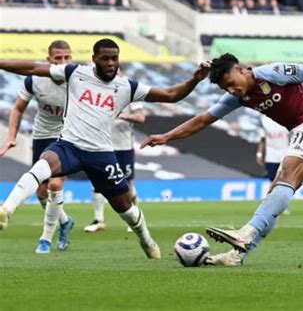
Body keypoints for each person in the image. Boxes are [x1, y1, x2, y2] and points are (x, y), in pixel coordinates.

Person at [140, 53, 303, 265]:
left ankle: (246, 233)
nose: (231, 90)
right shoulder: (238, 97)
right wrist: (167, 136)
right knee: (275, 196)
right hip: (300, 130)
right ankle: (237, 256)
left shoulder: (273, 73)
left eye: (231, 83)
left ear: (241, 69)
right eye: (225, 88)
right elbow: (202, 120)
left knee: (285, 177)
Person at [0, 38, 209, 258]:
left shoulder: (126, 87)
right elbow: (32, 68)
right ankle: (6, 210)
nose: (111, 63)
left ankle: (146, 240)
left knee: (125, 209)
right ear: (94, 59)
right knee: (43, 165)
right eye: (105, 58)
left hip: (101, 156)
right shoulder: (75, 73)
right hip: (69, 146)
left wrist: (194, 79)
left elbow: (169, 95)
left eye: (114, 58)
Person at [0, 40, 75, 254]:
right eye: (58, 58)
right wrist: (11, 137)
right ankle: (65, 221)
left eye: (67, 57)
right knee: (42, 192)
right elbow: (17, 109)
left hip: (68, 137)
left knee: (55, 185)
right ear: (48, 60)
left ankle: (45, 239)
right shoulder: (34, 80)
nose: (63, 62)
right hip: (42, 137)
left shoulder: (78, 79)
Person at [84, 72, 147, 233]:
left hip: (123, 145)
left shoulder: (130, 90)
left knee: (127, 185)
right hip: (101, 144)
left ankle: (134, 218)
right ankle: (99, 220)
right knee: (98, 182)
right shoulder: (97, 91)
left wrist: (122, 116)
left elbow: (141, 117)